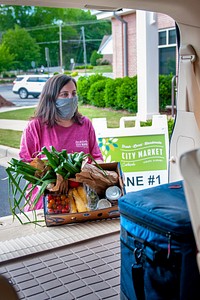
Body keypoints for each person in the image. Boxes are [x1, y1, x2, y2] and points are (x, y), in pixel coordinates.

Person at [19, 74, 104, 211]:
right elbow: (25, 162)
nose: (71, 98)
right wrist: (48, 181)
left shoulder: (85, 124)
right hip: (47, 203)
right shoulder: (35, 126)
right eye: (64, 94)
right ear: (51, 98)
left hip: (82, 202)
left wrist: (93, 172)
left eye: (73, 93)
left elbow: (97, 157)